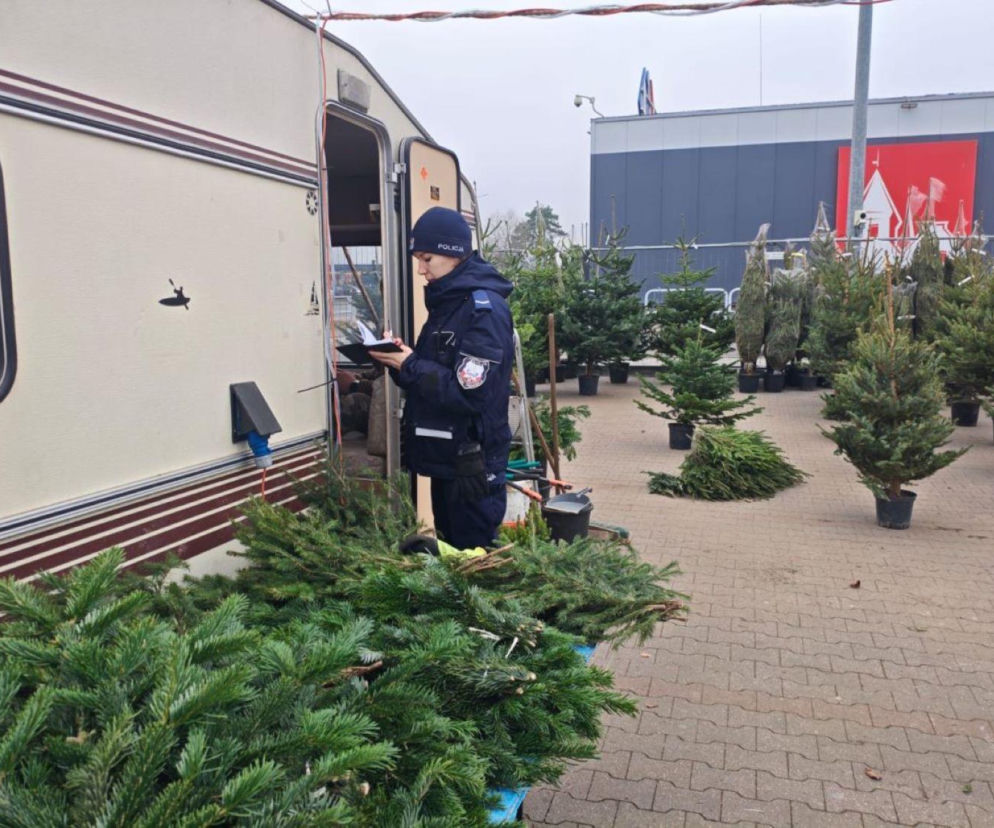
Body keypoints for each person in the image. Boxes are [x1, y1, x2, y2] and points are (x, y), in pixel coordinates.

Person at [370, 206, 514, 549]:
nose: (420, 270)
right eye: (418, 259)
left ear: (454, 254)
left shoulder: (483, 310)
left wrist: (410, 365)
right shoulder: (448, 304)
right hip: (448, 459)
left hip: (473, 465)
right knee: (450, 552)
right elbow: (434, 378)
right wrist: (398, 360)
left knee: (473, 559)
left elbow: (469, 393)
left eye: (427, 259)